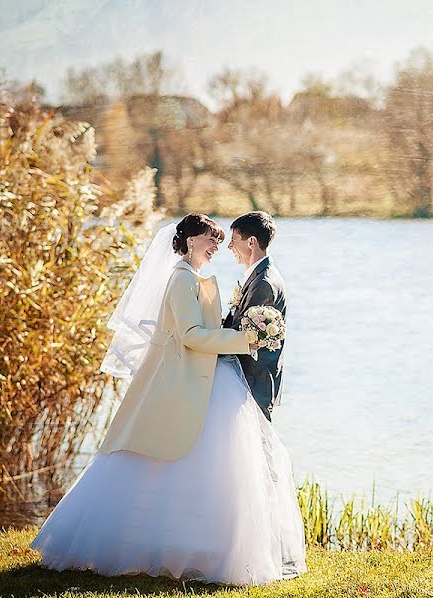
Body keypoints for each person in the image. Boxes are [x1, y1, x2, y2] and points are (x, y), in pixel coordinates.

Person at [30, 213, 307, 586]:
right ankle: (143, 542)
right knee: (161, 456)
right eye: (212, 239)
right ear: (191, 240)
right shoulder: (180, 280)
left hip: (202, 379)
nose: (218, 246)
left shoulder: (200, 278)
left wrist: (244, 337)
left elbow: (211, 328)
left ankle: (191, 545)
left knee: (196, 463)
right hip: (180, 378)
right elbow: (192, 334)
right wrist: (248, 340)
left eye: (223, 239)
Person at [223, 211, 287, 421]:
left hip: (254, 382)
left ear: (251, 242)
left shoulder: (264, 283)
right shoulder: (260, 275)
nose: (229, 247)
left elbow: (244, 337)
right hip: (250, 381)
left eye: (233, 240)